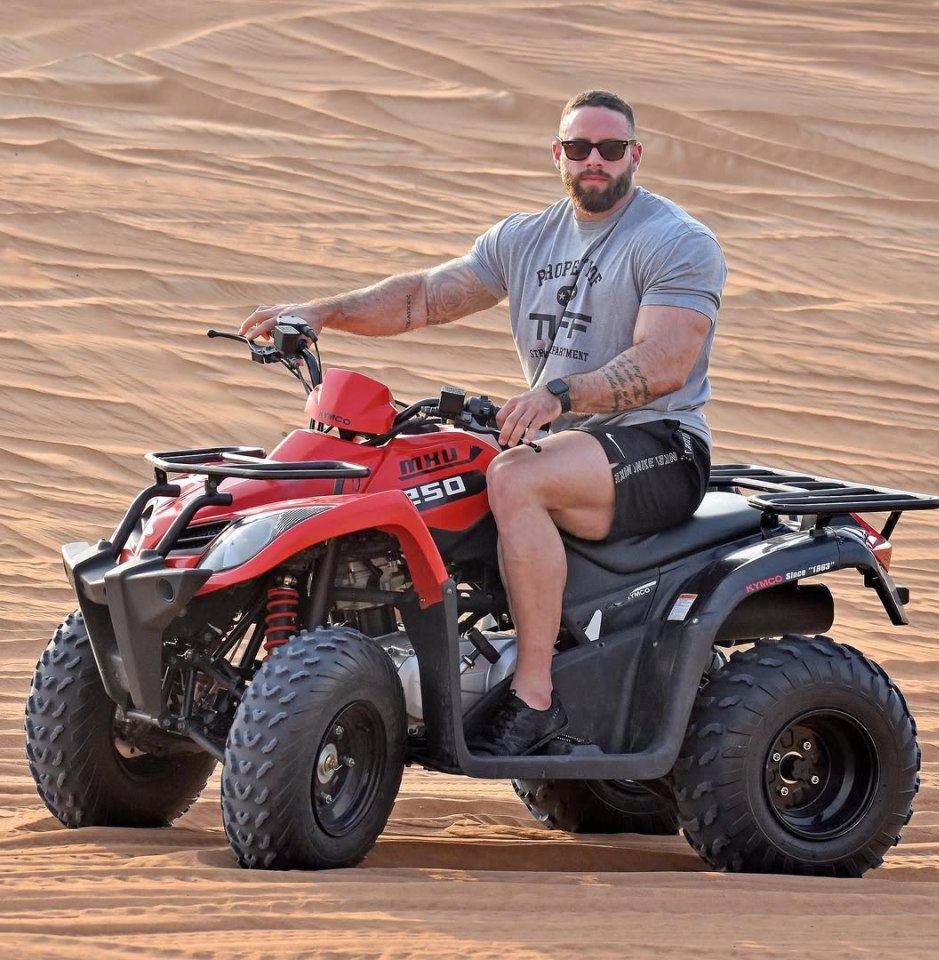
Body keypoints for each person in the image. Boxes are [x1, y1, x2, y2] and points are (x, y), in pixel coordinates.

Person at [239, 89, 726, 757]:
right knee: (424, 463)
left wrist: (559, 394)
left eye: (611, 148)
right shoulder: (525, 238)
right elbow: (423, 298)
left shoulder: (675, 241)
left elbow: (667, 361)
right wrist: (324, 312)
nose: (595, 160)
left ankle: (534, 696)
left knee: (515, 478)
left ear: (634, 156)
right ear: (558, 154)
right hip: (562, 439)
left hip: (659, 444)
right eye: (579, 147)